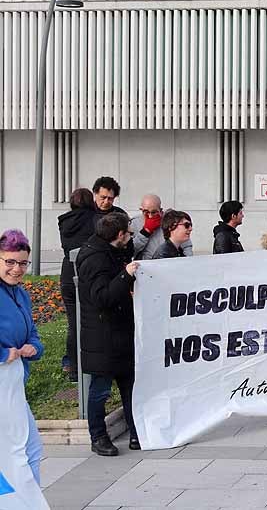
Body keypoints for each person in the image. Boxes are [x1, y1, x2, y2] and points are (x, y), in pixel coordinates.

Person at [76, 212, 140, 456]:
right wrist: (126, 275)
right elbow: (102, 297)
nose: (131, 238)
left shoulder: (111, 251)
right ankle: (98, 437)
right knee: (100, 390)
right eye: (129, 234)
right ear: (119, 235)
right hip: (102, 336)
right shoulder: (95, 258)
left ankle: (136, 432)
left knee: (129, 386)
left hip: (119, 332)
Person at [0, 230, 44, 482]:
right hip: (3, 385)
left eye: (23, 263)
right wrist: (3, 354)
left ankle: (28, 499)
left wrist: (34, 348)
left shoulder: (20, 294)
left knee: (29, 450)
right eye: (10, 262)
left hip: (13, 386)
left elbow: (33, 334)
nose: (17, 269)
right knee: (24, 451)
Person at [57, 188, 98, 381]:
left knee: (73, 324)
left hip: (67, 272)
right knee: (93, 322)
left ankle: (74, 368)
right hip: (88, 273)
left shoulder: (64, 221)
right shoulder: (95, 220)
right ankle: (91, 366)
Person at [131, 194, 192, 260]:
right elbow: (132, 250)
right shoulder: (135, 222)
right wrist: (145, 232)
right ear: (141, 209)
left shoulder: (170, 219)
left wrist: (188, 260)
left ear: (160, 210)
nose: (150, 216)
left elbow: (186, 245)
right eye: (146, 212)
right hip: (145, 263)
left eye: (154, 212)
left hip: (169, 261)